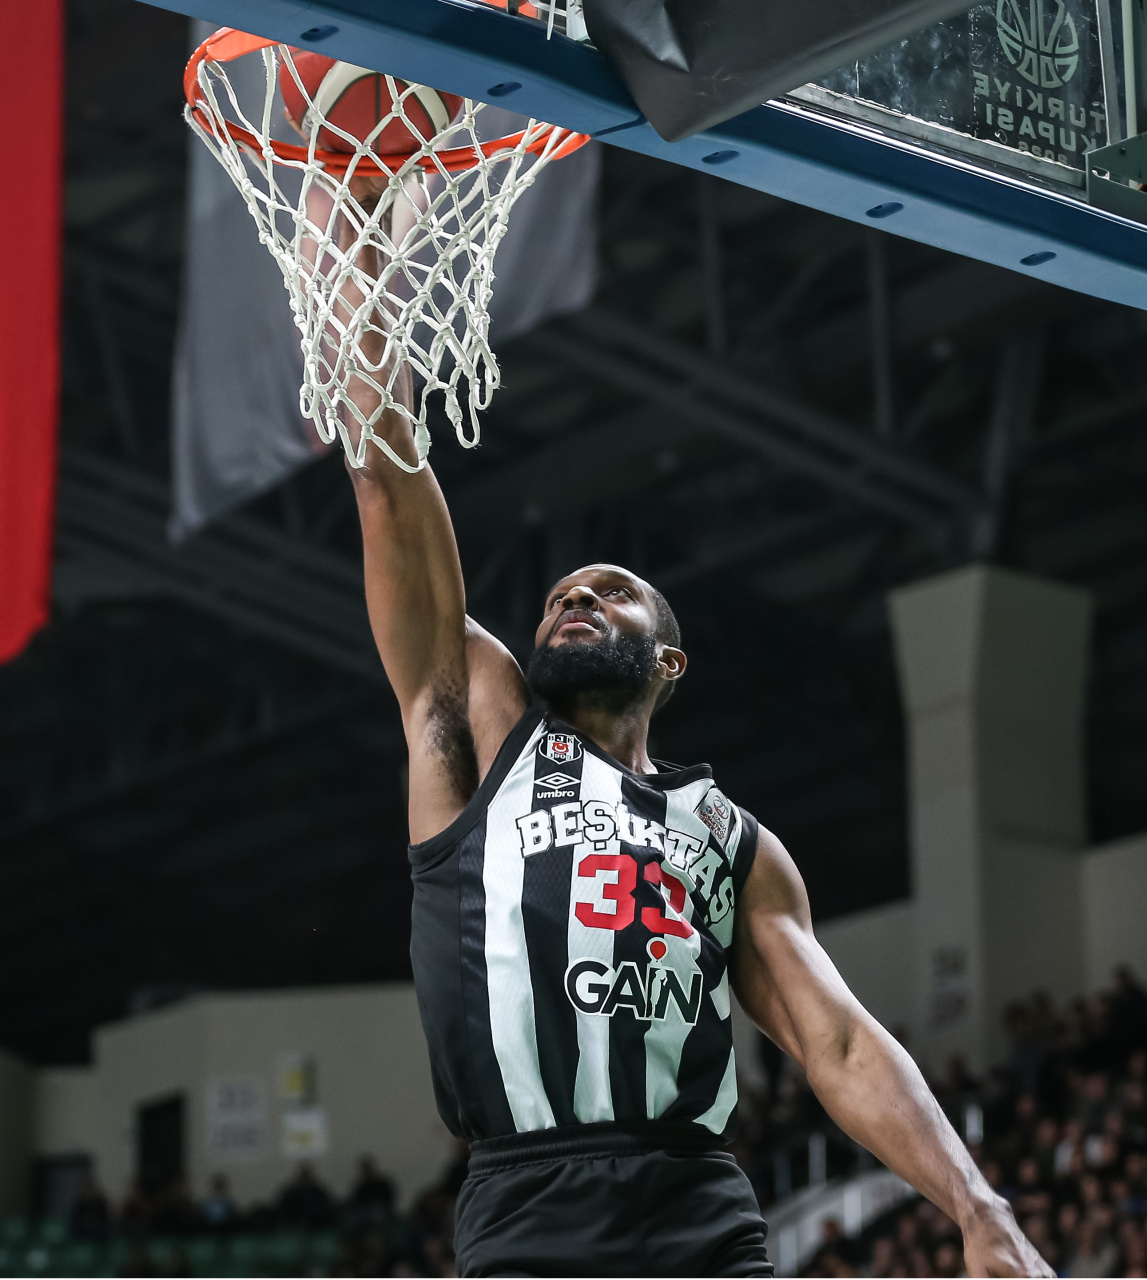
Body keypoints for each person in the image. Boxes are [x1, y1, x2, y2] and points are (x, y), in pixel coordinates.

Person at [334, 186, 1050, 1278]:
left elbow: (836, 1039)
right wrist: (363, 258)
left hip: (697, 1208)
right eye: (560, 595)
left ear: (668, 662)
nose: (575, 598)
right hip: (526, 1205)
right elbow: (387, 480)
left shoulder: (731, 839)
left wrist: (977, 1206)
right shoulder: (480, 726)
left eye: (611, 592)